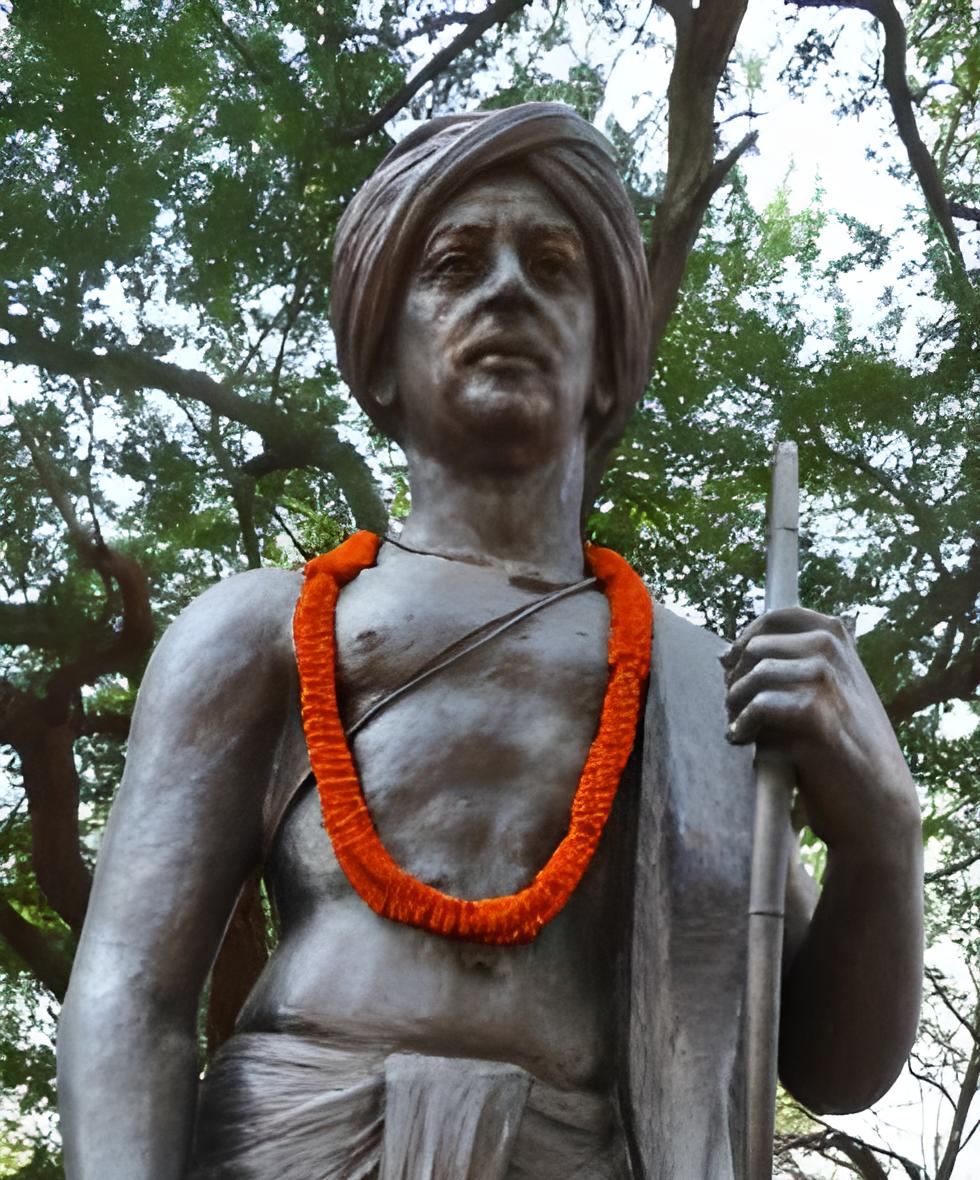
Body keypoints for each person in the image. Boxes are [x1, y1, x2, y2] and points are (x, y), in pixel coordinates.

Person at [57, 103, 923, 1180]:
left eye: (554, 267)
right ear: (381, 359)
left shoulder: (702, 687)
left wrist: (881, 834)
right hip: (295, 1143)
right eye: (455, 263)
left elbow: (834, 1066)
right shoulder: (263, 628)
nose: (507, 289)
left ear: (606, 367)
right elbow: (130, 993)